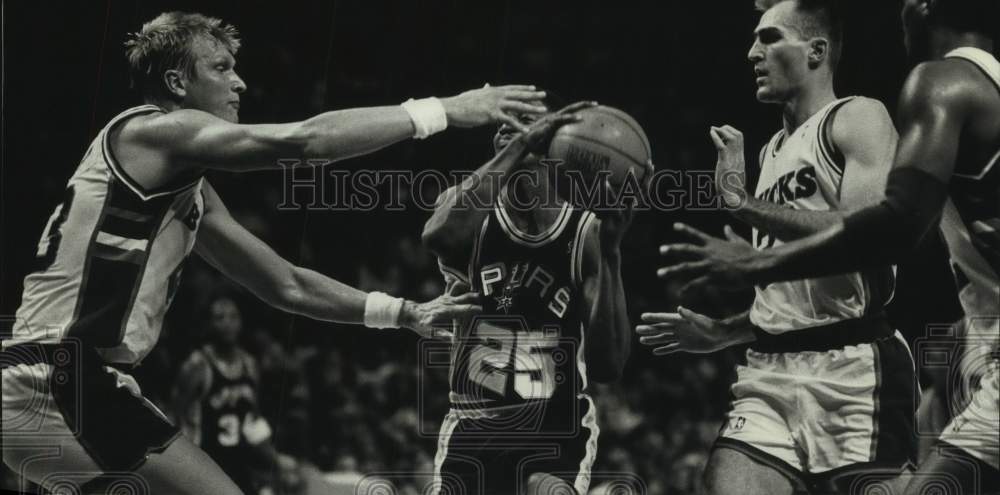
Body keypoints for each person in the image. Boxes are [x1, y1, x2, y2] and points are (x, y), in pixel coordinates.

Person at [1, 11, 547, 494]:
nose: (239, 81)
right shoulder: (151, 133)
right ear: (176, 81)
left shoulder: (183, 190)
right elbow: (302, 142)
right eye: (219, 68)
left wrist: (404, 313)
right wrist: (445, 109)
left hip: (61, 385)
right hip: (58, 379)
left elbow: (284, 283)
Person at [656, 0, 999, 493]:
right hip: (770, 372)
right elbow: (798, 297)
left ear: (816, 50)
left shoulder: (859, 116)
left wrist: (746, 211)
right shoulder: (770, 149)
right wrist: (729, 330)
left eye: (770, 37)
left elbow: (874, 232)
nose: (753, 52)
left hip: (853, 369)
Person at [421, 98, 641, 494]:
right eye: (503, 124)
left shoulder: (586, 232)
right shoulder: (470, 211)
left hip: (554, 420)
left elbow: (608, 367)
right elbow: (437, 238)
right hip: (475, 418)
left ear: (560, 140)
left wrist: (612, 254)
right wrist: (521, 145)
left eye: (527, 123)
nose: (510, 127)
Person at [172, 294, 293, 494]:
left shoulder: (250, 364)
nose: (228, 323)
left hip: (240, 464)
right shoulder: (196, 365)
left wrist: (276, 459)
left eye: (233, 317)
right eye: (220, 318)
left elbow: (252, 419)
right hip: (204, 465)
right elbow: (176, 418)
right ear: (208, 324)